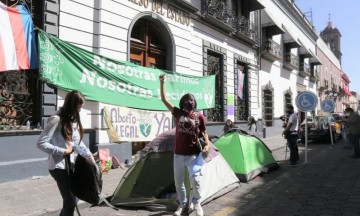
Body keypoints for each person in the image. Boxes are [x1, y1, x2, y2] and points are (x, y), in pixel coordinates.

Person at [37, 90, 95, 216]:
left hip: (70, 165)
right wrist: (63, 151)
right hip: (58, 168)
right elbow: (41, 143)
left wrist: (89, 155)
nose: (80, 110)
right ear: (72, 105)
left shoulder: (69, 119)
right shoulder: (55, 119)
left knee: (71, 201)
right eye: (79, 107)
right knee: (70, 202)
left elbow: (76, 142)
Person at [159, 74, 210, 216]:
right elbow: (164, 99)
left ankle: (197, 202)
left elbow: (204, 132)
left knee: (196, 180)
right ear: (183, 103)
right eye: (188, 100)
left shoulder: (199, 116)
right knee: (179, 182)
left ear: (195, 103)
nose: (190, 102)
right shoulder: (178, 113)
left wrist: (207, 144)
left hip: (193, 155)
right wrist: (162, 83)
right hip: (178, 154)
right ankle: (183, 204)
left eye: (192, 100)